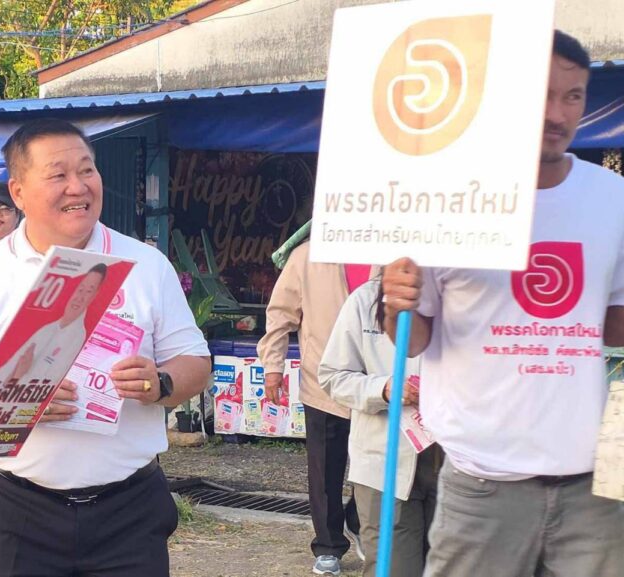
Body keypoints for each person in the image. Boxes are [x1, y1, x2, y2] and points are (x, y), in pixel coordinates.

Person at [0, 118, 211, 577]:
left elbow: (196, 362)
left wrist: (161, 382)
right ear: (18, 192)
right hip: (19, 514)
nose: (78, 186)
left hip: (130, 512)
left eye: (87, 170)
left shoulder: (145, 264)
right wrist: (14, 400)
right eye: (58, 175)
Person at [382, 31, 624, 577]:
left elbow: (613, 327)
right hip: (482, 484)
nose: (557, 114)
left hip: (593, 484)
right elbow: (413, 339)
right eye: (543, 93)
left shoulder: (612, 198)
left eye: (573, 96)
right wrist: (394, 301)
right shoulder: (446, 199)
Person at [320, 274, 441, 577]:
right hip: (385, 460)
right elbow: (333, 376)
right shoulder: (366, 299)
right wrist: (383, 389)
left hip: (458, 461)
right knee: (394, 567)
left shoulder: (465, 296)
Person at [257, 240, 365, 576]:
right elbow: (280, 313)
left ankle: (360, 520)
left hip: (377, 385)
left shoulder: (384, 251)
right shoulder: (307, 256)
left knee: (374, 465)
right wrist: (272, 367)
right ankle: (329, 545)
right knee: (325, 469)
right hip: (324, 381)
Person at [0, 264, 107, 387]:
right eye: (80, 289)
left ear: (95, 295)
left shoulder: (78, 338)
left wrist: (18, 375)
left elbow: (46, 388)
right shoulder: (46, 329)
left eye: (89, 291)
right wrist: (16, 373)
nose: (80, 297)